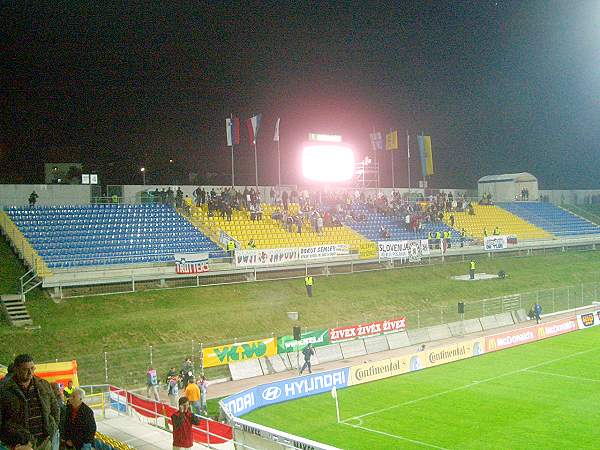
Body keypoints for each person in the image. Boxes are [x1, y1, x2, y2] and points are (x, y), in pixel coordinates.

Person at [0, 354, 59, 450]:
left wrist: (53, 427)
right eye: (25, 369)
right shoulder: (4, 390)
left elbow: (55, 408)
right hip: (21, 445)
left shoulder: (43, 384)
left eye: (32, 368)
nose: (30, 372)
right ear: (16, 369)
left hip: (45, 442)